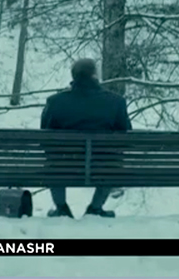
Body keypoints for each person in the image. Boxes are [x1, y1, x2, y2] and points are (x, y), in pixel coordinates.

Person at [40, 58, 132, 218]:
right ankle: (96, 208)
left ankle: (61, 208)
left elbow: (45, 136)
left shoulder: (55, 102)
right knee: (111, 161)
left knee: (53, 160)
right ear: (94, 75)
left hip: (63, 166)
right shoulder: (116, 102)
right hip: (102, 166)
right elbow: (125, 134)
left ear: (74, 76)